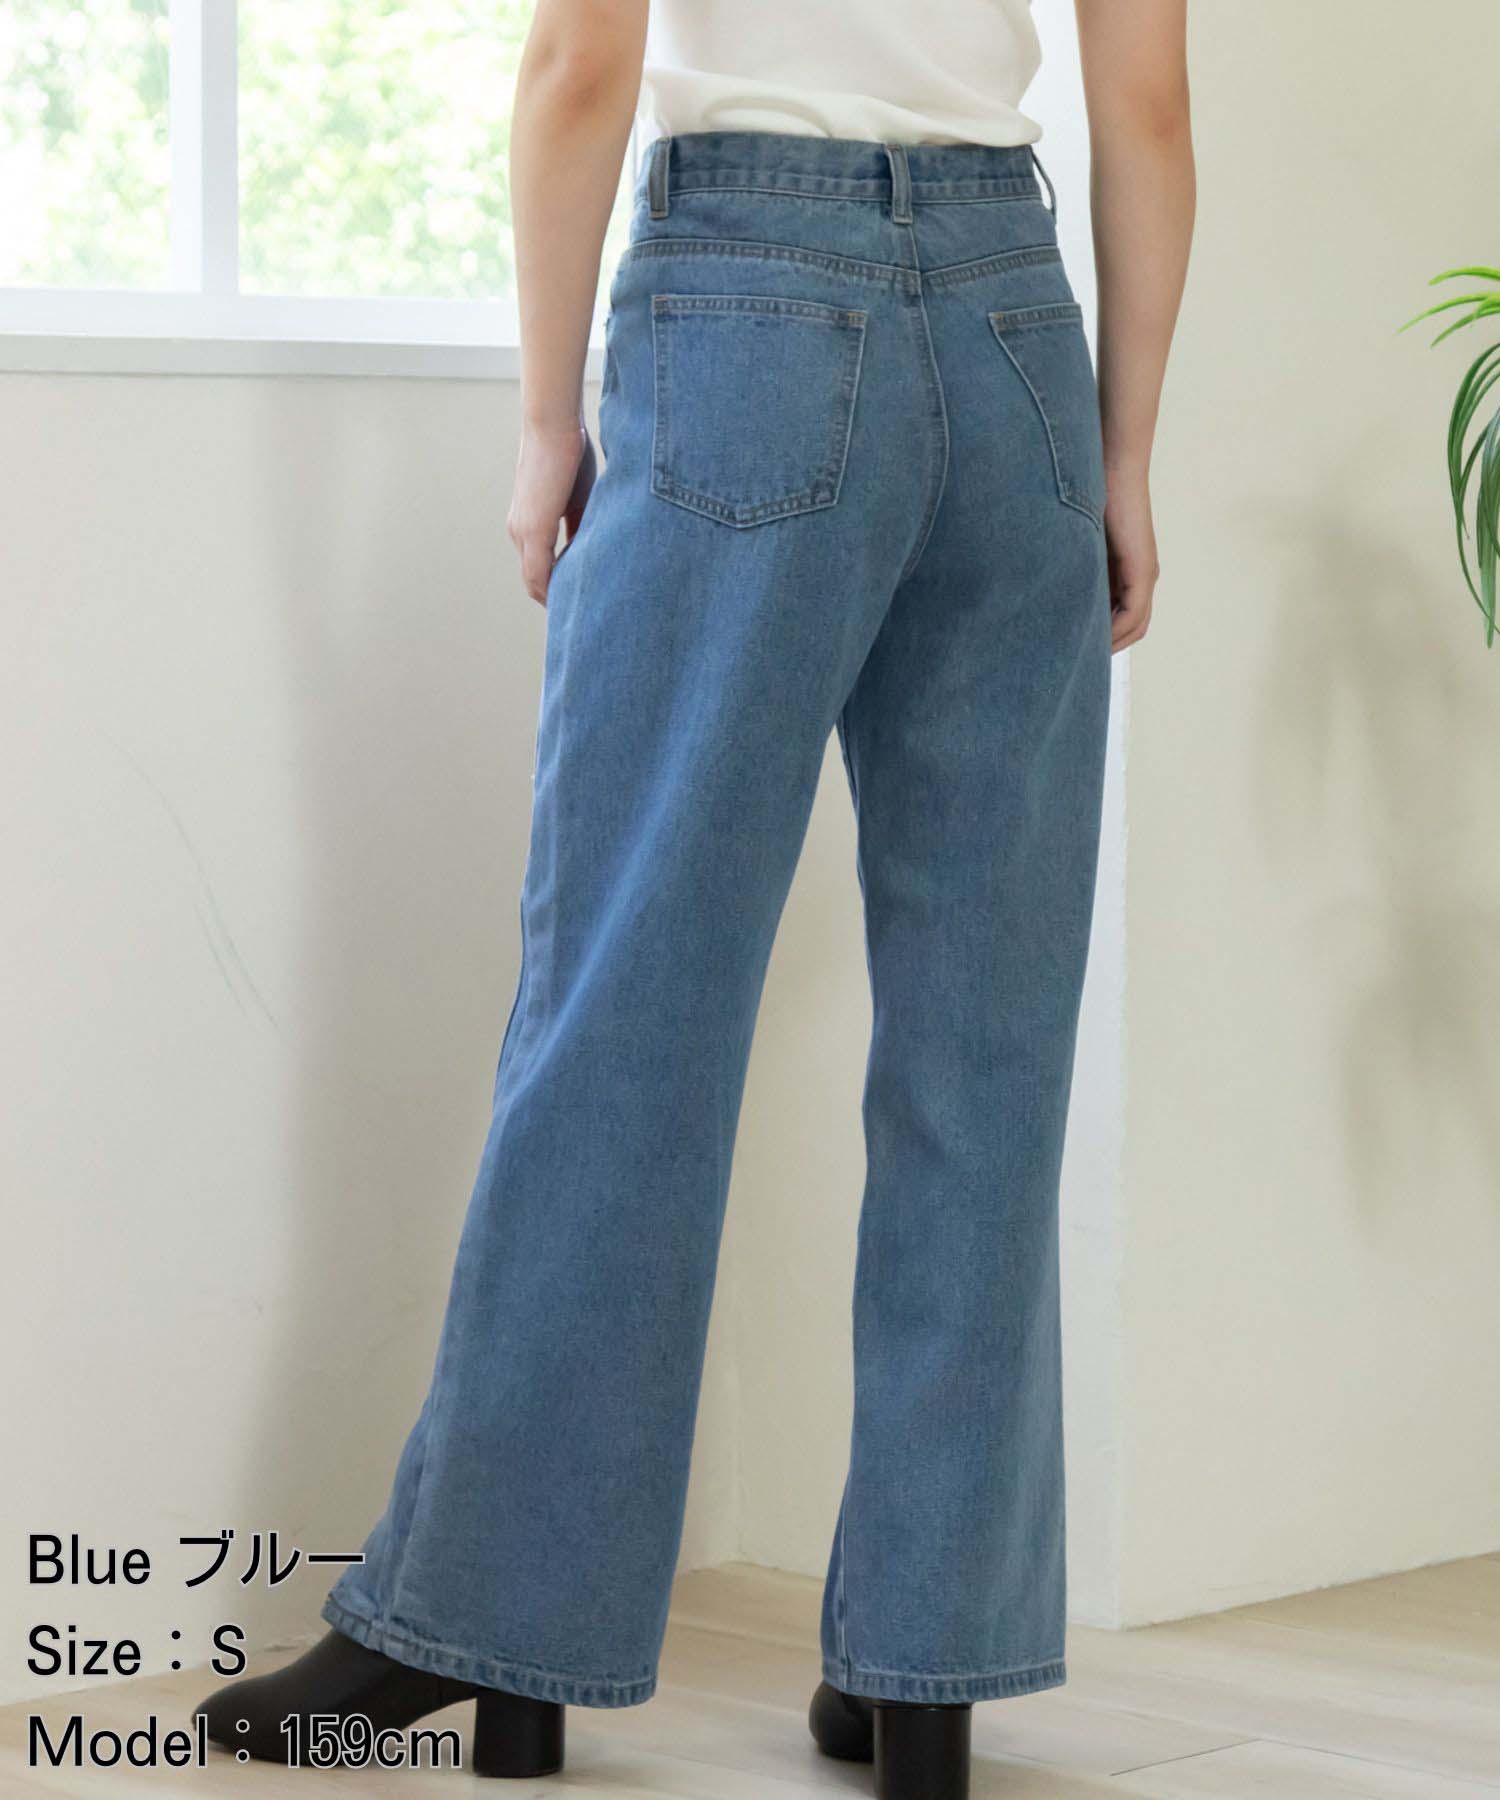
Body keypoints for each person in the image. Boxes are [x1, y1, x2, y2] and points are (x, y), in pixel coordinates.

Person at [197, 0, 1193, 1792]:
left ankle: (488, 1630)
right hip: (1019, 341)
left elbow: (579, 62)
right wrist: (1122, 461)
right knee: (984, 1055)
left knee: (627, 1013)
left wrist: (542, 426)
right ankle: (924, 1675)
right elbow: (1148, 106)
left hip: (746, 306)